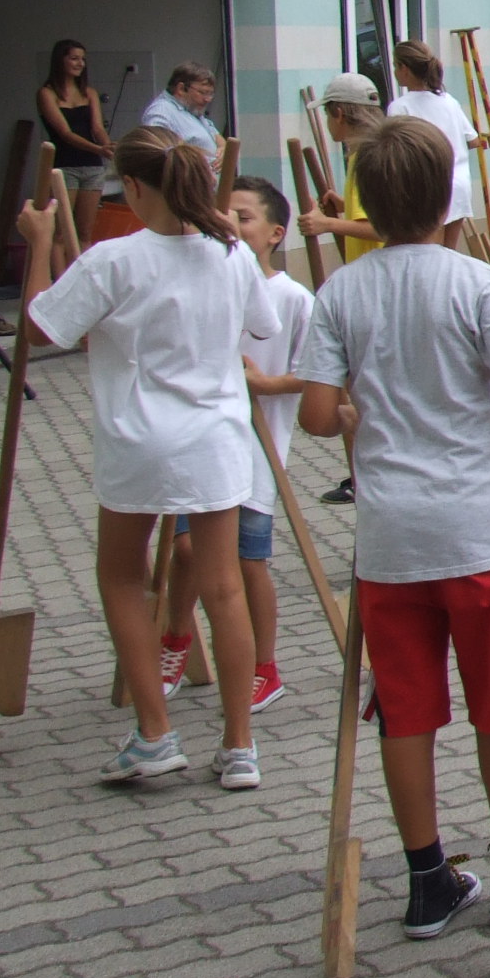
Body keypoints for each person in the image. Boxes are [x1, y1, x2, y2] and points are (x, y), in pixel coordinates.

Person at [295, 116, 490, 939]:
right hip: (479, 533)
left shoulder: (342, 292)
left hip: (391, 540)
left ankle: (427, 880)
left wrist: (355, 411)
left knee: (405, 712)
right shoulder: (474, 281)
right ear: (448, 197)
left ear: (368, 206)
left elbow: (316, 414)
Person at [17, 128, 276, 787]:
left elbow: (40, 327)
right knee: (224, 588)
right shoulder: (229, 253)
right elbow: (265, 324)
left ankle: (155, 732)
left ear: (132, 187)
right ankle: (239, 744)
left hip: (139, 439)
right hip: (216, 436)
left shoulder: (114, 258)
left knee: (121, 577)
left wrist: (41, 242)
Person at [159, 177, 315, 712]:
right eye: (221, 213)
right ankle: (176, 637)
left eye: (242, 217)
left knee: (248, 562)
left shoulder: (293, 299)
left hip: (256, 448)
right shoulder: (204, 280)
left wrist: (265, 385)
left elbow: (315, 373)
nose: (228, 224)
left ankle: (264, 666)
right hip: (200, 437)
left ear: (275, 234)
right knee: (185, 549)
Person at [388, 40, 481, 246]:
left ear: (404, 69)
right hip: (459, 185)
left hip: (426, 188)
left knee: (427, 252)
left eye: (395, 66)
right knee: (448, 251)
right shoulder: (449, 101)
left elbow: (395, 151)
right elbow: (474, 140)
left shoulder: (400, 107)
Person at [303, 72, 388, 266]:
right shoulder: (373, 153)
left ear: (339, 115)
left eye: (327, 114)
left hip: (374, 270)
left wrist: (326, 224)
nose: (327, 122)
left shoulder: (366, 160)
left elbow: (382, 228)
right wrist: (346, 205)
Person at [38, 37, 113, 248]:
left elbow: (97, 128)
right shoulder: (47, 93)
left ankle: (83, 269)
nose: (80, 63)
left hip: (92, 167)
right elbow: (65, 133)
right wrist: (99, 149)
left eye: (83, 59)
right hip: (64, 166)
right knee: (61, 232)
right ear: (60, 60)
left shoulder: (89, 92)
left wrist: (108, 146)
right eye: (74, 58)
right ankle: (61, 270)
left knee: (85, 231)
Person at [140, 61, 222, 151]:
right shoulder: (161, 111)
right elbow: (156, 150)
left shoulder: (192, 109)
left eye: (210, 94)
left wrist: (223, 149)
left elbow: (219, 140)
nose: (208, 99)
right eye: (203, 92)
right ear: (181, 89)